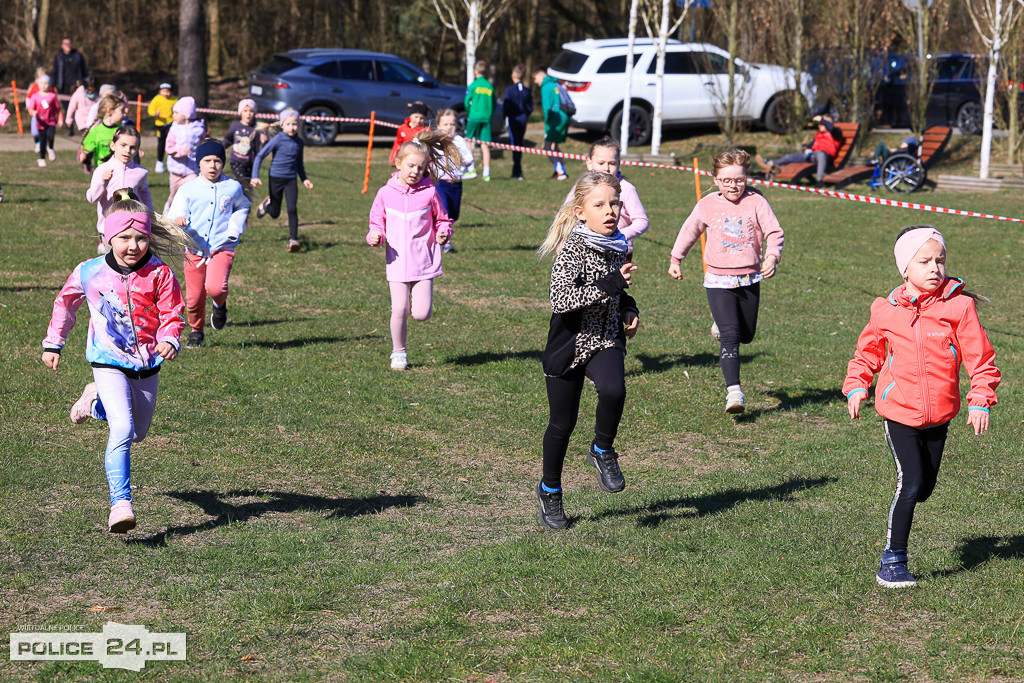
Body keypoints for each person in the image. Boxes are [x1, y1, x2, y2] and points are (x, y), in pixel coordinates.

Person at [843, 226, 1000, 589]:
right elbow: (867, 353)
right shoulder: (886, 310)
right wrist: (856, 385)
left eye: (940, 260)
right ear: (904, 268)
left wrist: (980, 400)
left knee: (924, 487)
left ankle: (908, 506)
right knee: (910, 482)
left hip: (940, 415)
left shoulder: (959, 307)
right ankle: (892, 561)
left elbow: (981, 359)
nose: (935, 268)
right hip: (899, 411)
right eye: (925, 261)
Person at [41, 188, 190, 534]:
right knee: (121, 430)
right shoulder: (89, 272)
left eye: (140, 237)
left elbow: (172, 310)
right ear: (109, 237)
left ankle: (94, 403)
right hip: (107, 360)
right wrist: (54, 342)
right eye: (125, 237)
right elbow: (65, 304)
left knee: (138, 433)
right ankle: (121, 504)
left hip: (148, 364)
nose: (133, 245)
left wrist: (170, 338)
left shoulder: (159, 273)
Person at [535, 171, 639, 529]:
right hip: (569, 345)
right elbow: (562, 300)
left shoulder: (620, 244)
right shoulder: (572, 251)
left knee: (614, 390)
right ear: (580, 212)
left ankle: (603, 448)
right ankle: (550, 491)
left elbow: (618, 290)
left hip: (605, 338)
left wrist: (628, 307)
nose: (610, 211)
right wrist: (613, 284)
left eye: (615, 203)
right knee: (562, 424)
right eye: (600, 205)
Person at [668, 149, 784, 415]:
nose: (734, 186)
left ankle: (722, 325)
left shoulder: (756, 202)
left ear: (746, 177)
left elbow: (774, 232)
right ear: (716, 180)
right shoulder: (707, 204)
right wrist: (676, 259)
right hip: (718, 279)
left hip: (749, 278)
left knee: (747, 335)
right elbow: (690, 230)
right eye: (727, 180)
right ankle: (734, 393)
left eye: (739, 180)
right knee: (731, 337)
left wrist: (772, 257)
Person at [366, 131, 458, 370]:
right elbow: (376, 222)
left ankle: (407, 337)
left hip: (424, 263)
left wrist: (443, 233)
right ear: (398, 163)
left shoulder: (430, 193)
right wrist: (375, 237)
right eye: (410, 166)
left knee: (421, 314)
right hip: (396, 262)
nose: (415, 172)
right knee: (399, 308)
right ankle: (398, 353)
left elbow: (444, 220)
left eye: (420, 167)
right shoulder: (385, 193)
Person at [168, 140, 250, 349]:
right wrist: (179, 219)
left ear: (222, 163)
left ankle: (219, 305)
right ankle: (197, 332)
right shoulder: (188, 189)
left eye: (217, 161)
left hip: (222, 247)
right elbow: (175, 210)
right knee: (194, 298)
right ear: (199, 163)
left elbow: (242, 206)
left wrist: (235, 229)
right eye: (207, 161)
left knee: (215, 287)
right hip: (194, 249)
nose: (212, 166)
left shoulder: (232, 187)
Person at [566, 138, 649, 258]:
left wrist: (618, 236)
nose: (606, 168)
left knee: (615, 278)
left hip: (617, 252)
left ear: (619, 163)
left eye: (612, 163)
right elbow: (566, 215)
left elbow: (642, 221)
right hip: (585, 250)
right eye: (601, 163)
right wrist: (563, 244)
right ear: (589, 163)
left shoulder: (627, 189)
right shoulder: (581, 188)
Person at [251, 109, 314, 253]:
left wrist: (305, 179)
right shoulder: (277, 139)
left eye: (295, 124)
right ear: (282, 125)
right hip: (276, 178)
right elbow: (260, 156)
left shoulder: (299, 142)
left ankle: (293, 240)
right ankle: (268, 205)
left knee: (292, 208)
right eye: (288, 124)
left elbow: (299, 163)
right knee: (275, 214)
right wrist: (255, 176)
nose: (292, 127)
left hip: (291, 180)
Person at [86, 126, 153, 254]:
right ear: (113, 145)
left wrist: (150, 215)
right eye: (123, 145)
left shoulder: (140, 172)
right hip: (109, 228)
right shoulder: (102, 170)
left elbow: (145, 194)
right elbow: (91, 198)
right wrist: (102, 182)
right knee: (113, 267)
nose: (128, 150)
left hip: (134, 228)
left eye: (133, 147)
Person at [756, 114, 840, 185]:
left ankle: (819, 181)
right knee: (791, 156)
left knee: (820, 155)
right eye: (819, 123)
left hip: (824, 156)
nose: (820, 125)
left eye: (823, 123)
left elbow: (831, 127)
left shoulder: (835, 132)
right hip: (812, 156)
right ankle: (771, 163)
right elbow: (811, 143)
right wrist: (808, 149)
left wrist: (822, 120)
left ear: (829, 123)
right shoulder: (818, 134)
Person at [433, 108, 473, 254]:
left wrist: (461, 160)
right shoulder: (435, 142)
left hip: (456, 184)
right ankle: (445, 242)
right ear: (438, 126)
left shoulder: (459, 141)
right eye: (445, 124)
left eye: (452, 124)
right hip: (440, 183)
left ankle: (440, 234)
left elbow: (469, 159)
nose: (449, 127)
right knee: (445, 212)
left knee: (454, 214)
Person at [163, 96, 206, 213]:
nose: (173, 115)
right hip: (176, 170)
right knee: (174, 194)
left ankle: (189, 213)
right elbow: (168, 148)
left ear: (187, 115)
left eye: (176, 113)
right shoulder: (174, 129)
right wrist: (181, 151)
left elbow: (204, 143)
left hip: (192, 170)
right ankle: (168, 210)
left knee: (191, 193)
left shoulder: (199, 129)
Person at [533, 67, 570, 180]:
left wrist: (547, 128)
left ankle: (561, 172)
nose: (535, 82)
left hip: (555, 120)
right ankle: (561, 170)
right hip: (564, 117)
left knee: (547, 146)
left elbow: (547, 109)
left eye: (535, 78)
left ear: (540, 75)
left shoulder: (546, 87)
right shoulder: (555, 83)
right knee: (555, 146)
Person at [221, 98, 266, 190]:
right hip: (236, 162)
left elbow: (265, 148)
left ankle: (245, 203)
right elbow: (228, 139)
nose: (248, 113)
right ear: (240, 112)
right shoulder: (235, 126)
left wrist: (264, 141)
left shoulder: (257, 128)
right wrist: (218, 147)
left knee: (248, 188)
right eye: (245, 111)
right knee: (244, 184)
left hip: (251, 164)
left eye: (251, 111)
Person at [464, 61, 495, 181]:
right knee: (485, 145)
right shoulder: (489, 85)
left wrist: (469, 112)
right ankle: (486, 173)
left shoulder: (473, 86)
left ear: (475, 72)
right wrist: (489, 114)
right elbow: (493, 103)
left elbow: (466, 102)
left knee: (468, 141)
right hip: (486, 118)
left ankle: (471, 170)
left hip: (474, 117)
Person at [80, 91, 127, 172]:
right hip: (101, 173)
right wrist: (85, 157)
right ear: (110, 111)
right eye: (122, 111)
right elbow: (87, 151)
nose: (125, 114)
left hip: (120, 172)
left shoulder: (122, 131)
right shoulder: (96, 132)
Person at [502, 63, 533, 180]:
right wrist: (525, 115)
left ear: (514, 75)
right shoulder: (527, 90)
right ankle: (517, 170)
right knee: (519, 144)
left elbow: (506, 106)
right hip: (523, 120)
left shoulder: (509, 90)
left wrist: (505, 117)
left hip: (513, 120)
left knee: (515, 145)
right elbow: (530, 107)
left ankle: (517, 171)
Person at [26, 74, 63, 168]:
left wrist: (60, 119)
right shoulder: (35, 96)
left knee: (51, 136)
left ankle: (51, 148)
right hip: (40, 122)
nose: (43, 85)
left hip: (51, 121)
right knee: (42, 141)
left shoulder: (52, 96)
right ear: (38, 84)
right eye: (41, 83)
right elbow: (30, 108)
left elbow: (58, 109)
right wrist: (33, 112)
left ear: (50, 85)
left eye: (46, 83)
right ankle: (42, 158)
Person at [147, 82, 178, 174]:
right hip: (160, 125)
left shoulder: (175, 99)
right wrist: (154, 113)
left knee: (172, 142)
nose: (165, 93)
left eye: (167, 91)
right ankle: (159, 162)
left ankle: (172, 162)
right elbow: (150, 109)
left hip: (171, 124)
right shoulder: (157, 99)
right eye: (163, 91)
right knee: (161, 143)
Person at [389, 102, 429, 167]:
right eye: (416, 117)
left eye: (422, 118)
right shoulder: (402, 128)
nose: (418, 120)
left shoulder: (426, 130)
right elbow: (398, 144)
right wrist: (393, 157)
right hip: (404, 158)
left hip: (419, 160)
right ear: (410, 116)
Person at [64, 74, 97, 139]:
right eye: (88, 90)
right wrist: (69, 119)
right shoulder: (79, 93)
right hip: (82, 122)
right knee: (87, 139)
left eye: (92, 90)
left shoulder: (98, 95)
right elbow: (71, 107)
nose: (90, 92)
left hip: (94, 122)